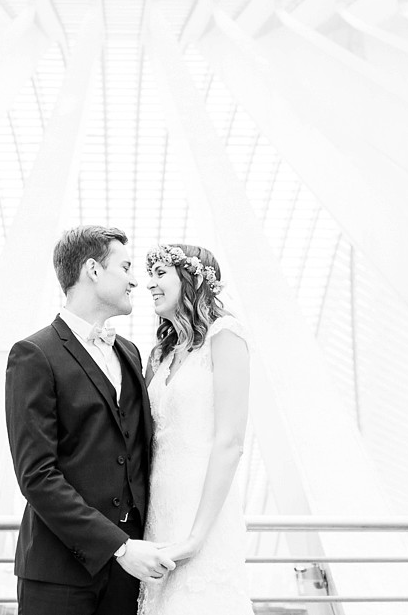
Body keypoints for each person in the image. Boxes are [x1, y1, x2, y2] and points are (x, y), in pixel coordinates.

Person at [5, 225, 177, 615]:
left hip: (129, 576)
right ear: (93, 270)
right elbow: (36, 475)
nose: (136, 280)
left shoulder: (131, 353)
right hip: (58, 573)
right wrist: (118, 546)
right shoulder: (34, 354)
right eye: (126, 266)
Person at [139, 244, 253, 615]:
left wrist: (196, 537)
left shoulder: (226, 335)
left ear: (191, 277)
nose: (149, 285)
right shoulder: (160, 354)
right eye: (149, 275)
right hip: (159, 512)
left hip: (203, 513)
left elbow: (230, 441)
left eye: (160, 274)